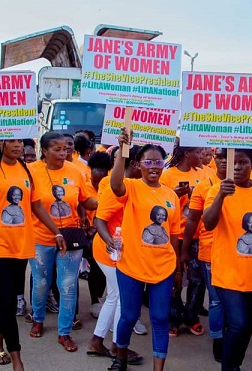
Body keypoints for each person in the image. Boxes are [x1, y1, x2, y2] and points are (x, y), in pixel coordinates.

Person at [0, 139, 61, 370]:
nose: (17, 146)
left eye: (20, 141)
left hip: (20, 246)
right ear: (0, 143)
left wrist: (56, 232)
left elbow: (37, 205)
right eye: (11, 141)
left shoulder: (25, 170)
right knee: (9, 300)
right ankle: (17, 359)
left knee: (8, 300)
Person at [108, 129, 181, 371]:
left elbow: (174, 235)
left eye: (158, 162)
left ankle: (158, 368)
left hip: (163, 268)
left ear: (164, 164)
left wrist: (178, 267)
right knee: (128, 316)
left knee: (160, 318)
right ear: (138, 165)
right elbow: (115, 184)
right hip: (131, 265)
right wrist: (121, 152)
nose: (153, 166)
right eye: (147, 162)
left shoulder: (171, 196)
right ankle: (120, 357)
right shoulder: (131, 186)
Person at [202, 148, 252, 371]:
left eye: (242, 162)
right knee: (238, 323)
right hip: (227, 273)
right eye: (232, 163)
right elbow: (208, 223)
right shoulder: (217, 189)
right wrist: (221, 196)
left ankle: (235, 363)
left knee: (245, 327)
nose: (236, 167)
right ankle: (228, 367)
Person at [27, 132, 98, 354]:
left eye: (65, 149)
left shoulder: (76, 172)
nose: (62, 153)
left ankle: (64, 332)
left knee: (67, 285)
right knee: (41, 283)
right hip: (40, 238)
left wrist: (110, 200)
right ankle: (38, 318)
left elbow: (85, 200)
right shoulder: (31, 171)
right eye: (56, 149)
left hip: (70, 238)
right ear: (44, 151)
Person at [88, 145, 144, 365]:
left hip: (118, 250)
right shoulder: (115, 187)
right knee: (122, 296)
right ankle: (116, 345)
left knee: (114, 296)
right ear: (133, 164)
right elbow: (99, 219)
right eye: (144, 163)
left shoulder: (132, 185)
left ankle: (97, 341)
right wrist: (111, 243)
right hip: (111, 250)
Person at [180, 147, 227, 362]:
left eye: (234, 160)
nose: (229, 164)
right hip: (210, 251)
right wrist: (184, 250)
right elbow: (193, 220)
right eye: (223, 159)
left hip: (239, 255)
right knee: (216, 300)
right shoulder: (204, 185)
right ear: (216, 160)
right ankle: (219, 339)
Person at [160, 145, 207, 337]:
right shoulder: (167, 176)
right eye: (198, 152)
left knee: (197, 279)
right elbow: (158, 205)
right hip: (173, 236)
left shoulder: (203, 175)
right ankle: (173, 318)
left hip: (196, 237)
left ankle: (191, 317)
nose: (202, 156)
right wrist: (174, 193)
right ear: (187, 154)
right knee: (173, 279)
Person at [84, 151, 111, 320]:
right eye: (96, 169)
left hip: (101, 235)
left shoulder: (111, 187)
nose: (99, 173)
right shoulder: (83, 186)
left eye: (103, 169)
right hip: (81, 234)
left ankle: (97, 300)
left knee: (97, 269)